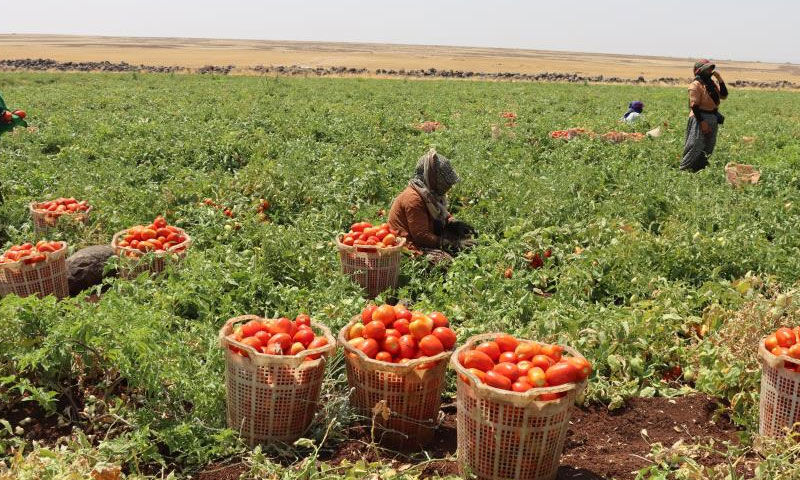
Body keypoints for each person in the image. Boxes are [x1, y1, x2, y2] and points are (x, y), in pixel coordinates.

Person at [388, 148, 475, 265]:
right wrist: (450, 244)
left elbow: (440, 213)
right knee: (444, 262)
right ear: (431, 177)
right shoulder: (413, 199)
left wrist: (453, 223)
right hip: (408, 247)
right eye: (443, 181)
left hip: (424, 235)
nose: (448, 186)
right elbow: (421, 236)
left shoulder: (430, 194)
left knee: (464, 237)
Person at [680, 60, 728, 172]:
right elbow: (694, 106)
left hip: (712, 117)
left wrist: (719, 78)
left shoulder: (711, 84)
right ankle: (684, 169)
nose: (710, 71)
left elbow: (724, 95)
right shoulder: (695, 85)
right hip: (699, 118)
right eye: (707, 69)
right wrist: (702, 122)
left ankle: (699, 169)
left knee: (708, 146)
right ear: (699, 71)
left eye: (710, 69)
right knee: (695, 145)